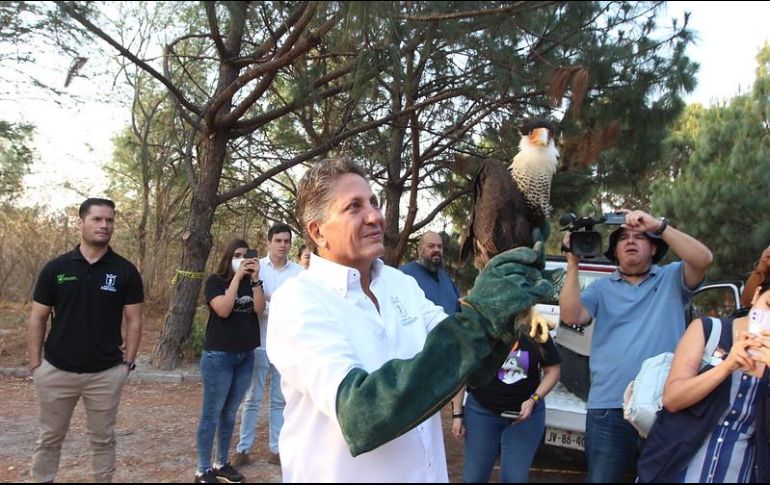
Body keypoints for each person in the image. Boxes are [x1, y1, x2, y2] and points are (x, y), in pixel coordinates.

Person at [266, 156, 553, 482]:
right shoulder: (297, 300)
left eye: (374, 202)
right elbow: (360, 414)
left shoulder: (400, 284)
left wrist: (505, 315)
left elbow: (470, 366)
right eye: (354, 207)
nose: (374, 215)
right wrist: (481, 316)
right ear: (317, 232)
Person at [559, 209, 713, 483]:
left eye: (640, 237)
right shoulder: (601, 289)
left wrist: (659, 226)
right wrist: (572, 264)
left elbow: (704, 259)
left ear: (654, 248)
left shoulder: (672, 278)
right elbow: (571, 316)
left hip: (662, 405)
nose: (630, 241)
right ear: (615, 251)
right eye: (623, 238)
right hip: (609, 407)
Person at [27, 197, 144, 483]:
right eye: (97, 219)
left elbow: (134, 320)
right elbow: (37, 318)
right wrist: (36, 365)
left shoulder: (125, 270)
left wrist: (127, 364)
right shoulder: (56, 268)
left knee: (103, 439)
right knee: (49, 438)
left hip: (105, 373)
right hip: (56, 371)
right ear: (81, 222)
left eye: (109, 220)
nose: (104, 225)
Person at [636, 279, 770, 483]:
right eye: (768, 305)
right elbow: (673, 398)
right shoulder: (709, 330)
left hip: (739, 473)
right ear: (756, 294)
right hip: (676, 469)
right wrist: (726, 366)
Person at [232, 223, 304, 467]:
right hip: (259, 341)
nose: (283, 245)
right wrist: (274, 305)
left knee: (279, 400)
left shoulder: (298, 273)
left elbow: (299, 307)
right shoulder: (257, 267)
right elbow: (252, 304)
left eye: (286, 241)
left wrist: (270, 304)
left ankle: (277, 449)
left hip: (287, 345)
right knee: (252, 398)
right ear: (269, 242)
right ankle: (243, 448)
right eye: (278, 240)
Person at [194, 238, 265, 483]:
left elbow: (259, 309)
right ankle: (203, 469)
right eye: (237, 255)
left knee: (230, 413)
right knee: (211, 414)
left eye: (246, 256)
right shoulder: (215, 281)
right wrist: (236, 279)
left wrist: (255, 279)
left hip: (245, 355)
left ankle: (221, 463)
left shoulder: (252, 282)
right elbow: (223, 310)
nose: (242, 260)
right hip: (219, 356)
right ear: (228, 257)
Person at [451, 333, 561, 482]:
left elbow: (553, 370)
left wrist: (533, 399)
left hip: (525, 416)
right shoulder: (481, 327)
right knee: (474, 477)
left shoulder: (536, 329)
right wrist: (457, 414)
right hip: (482, 412)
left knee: (514, 478)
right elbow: (462, 370)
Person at [400, 231, 461, 314]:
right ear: (420, 250)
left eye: (439, 246)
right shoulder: (404, 275)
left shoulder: (445, 277)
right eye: (431, 246)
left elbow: (457, 304)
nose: (436, 250)